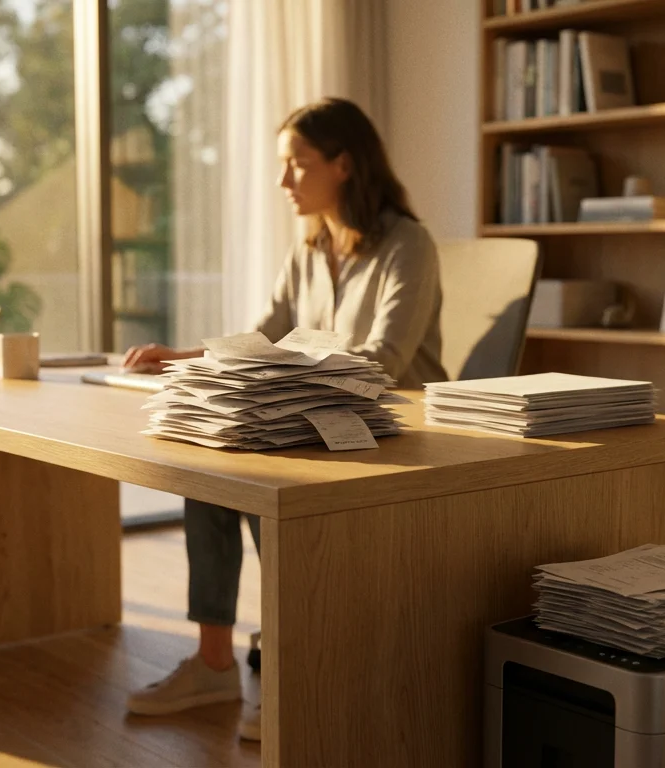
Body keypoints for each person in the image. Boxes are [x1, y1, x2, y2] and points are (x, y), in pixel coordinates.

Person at [121, 97, 445, 741]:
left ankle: (297, 670)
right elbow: (266, 334)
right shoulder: (309, 249)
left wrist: (285, 376)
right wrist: (181, 357)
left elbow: (386, 358)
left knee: (269, 481)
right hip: (314, 417)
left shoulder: (408, 244)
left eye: (297, 164)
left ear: (343, 164)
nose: (284, 181)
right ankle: (214, 662)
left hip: (385, 426)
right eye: (283, 166)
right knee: (210, 455)